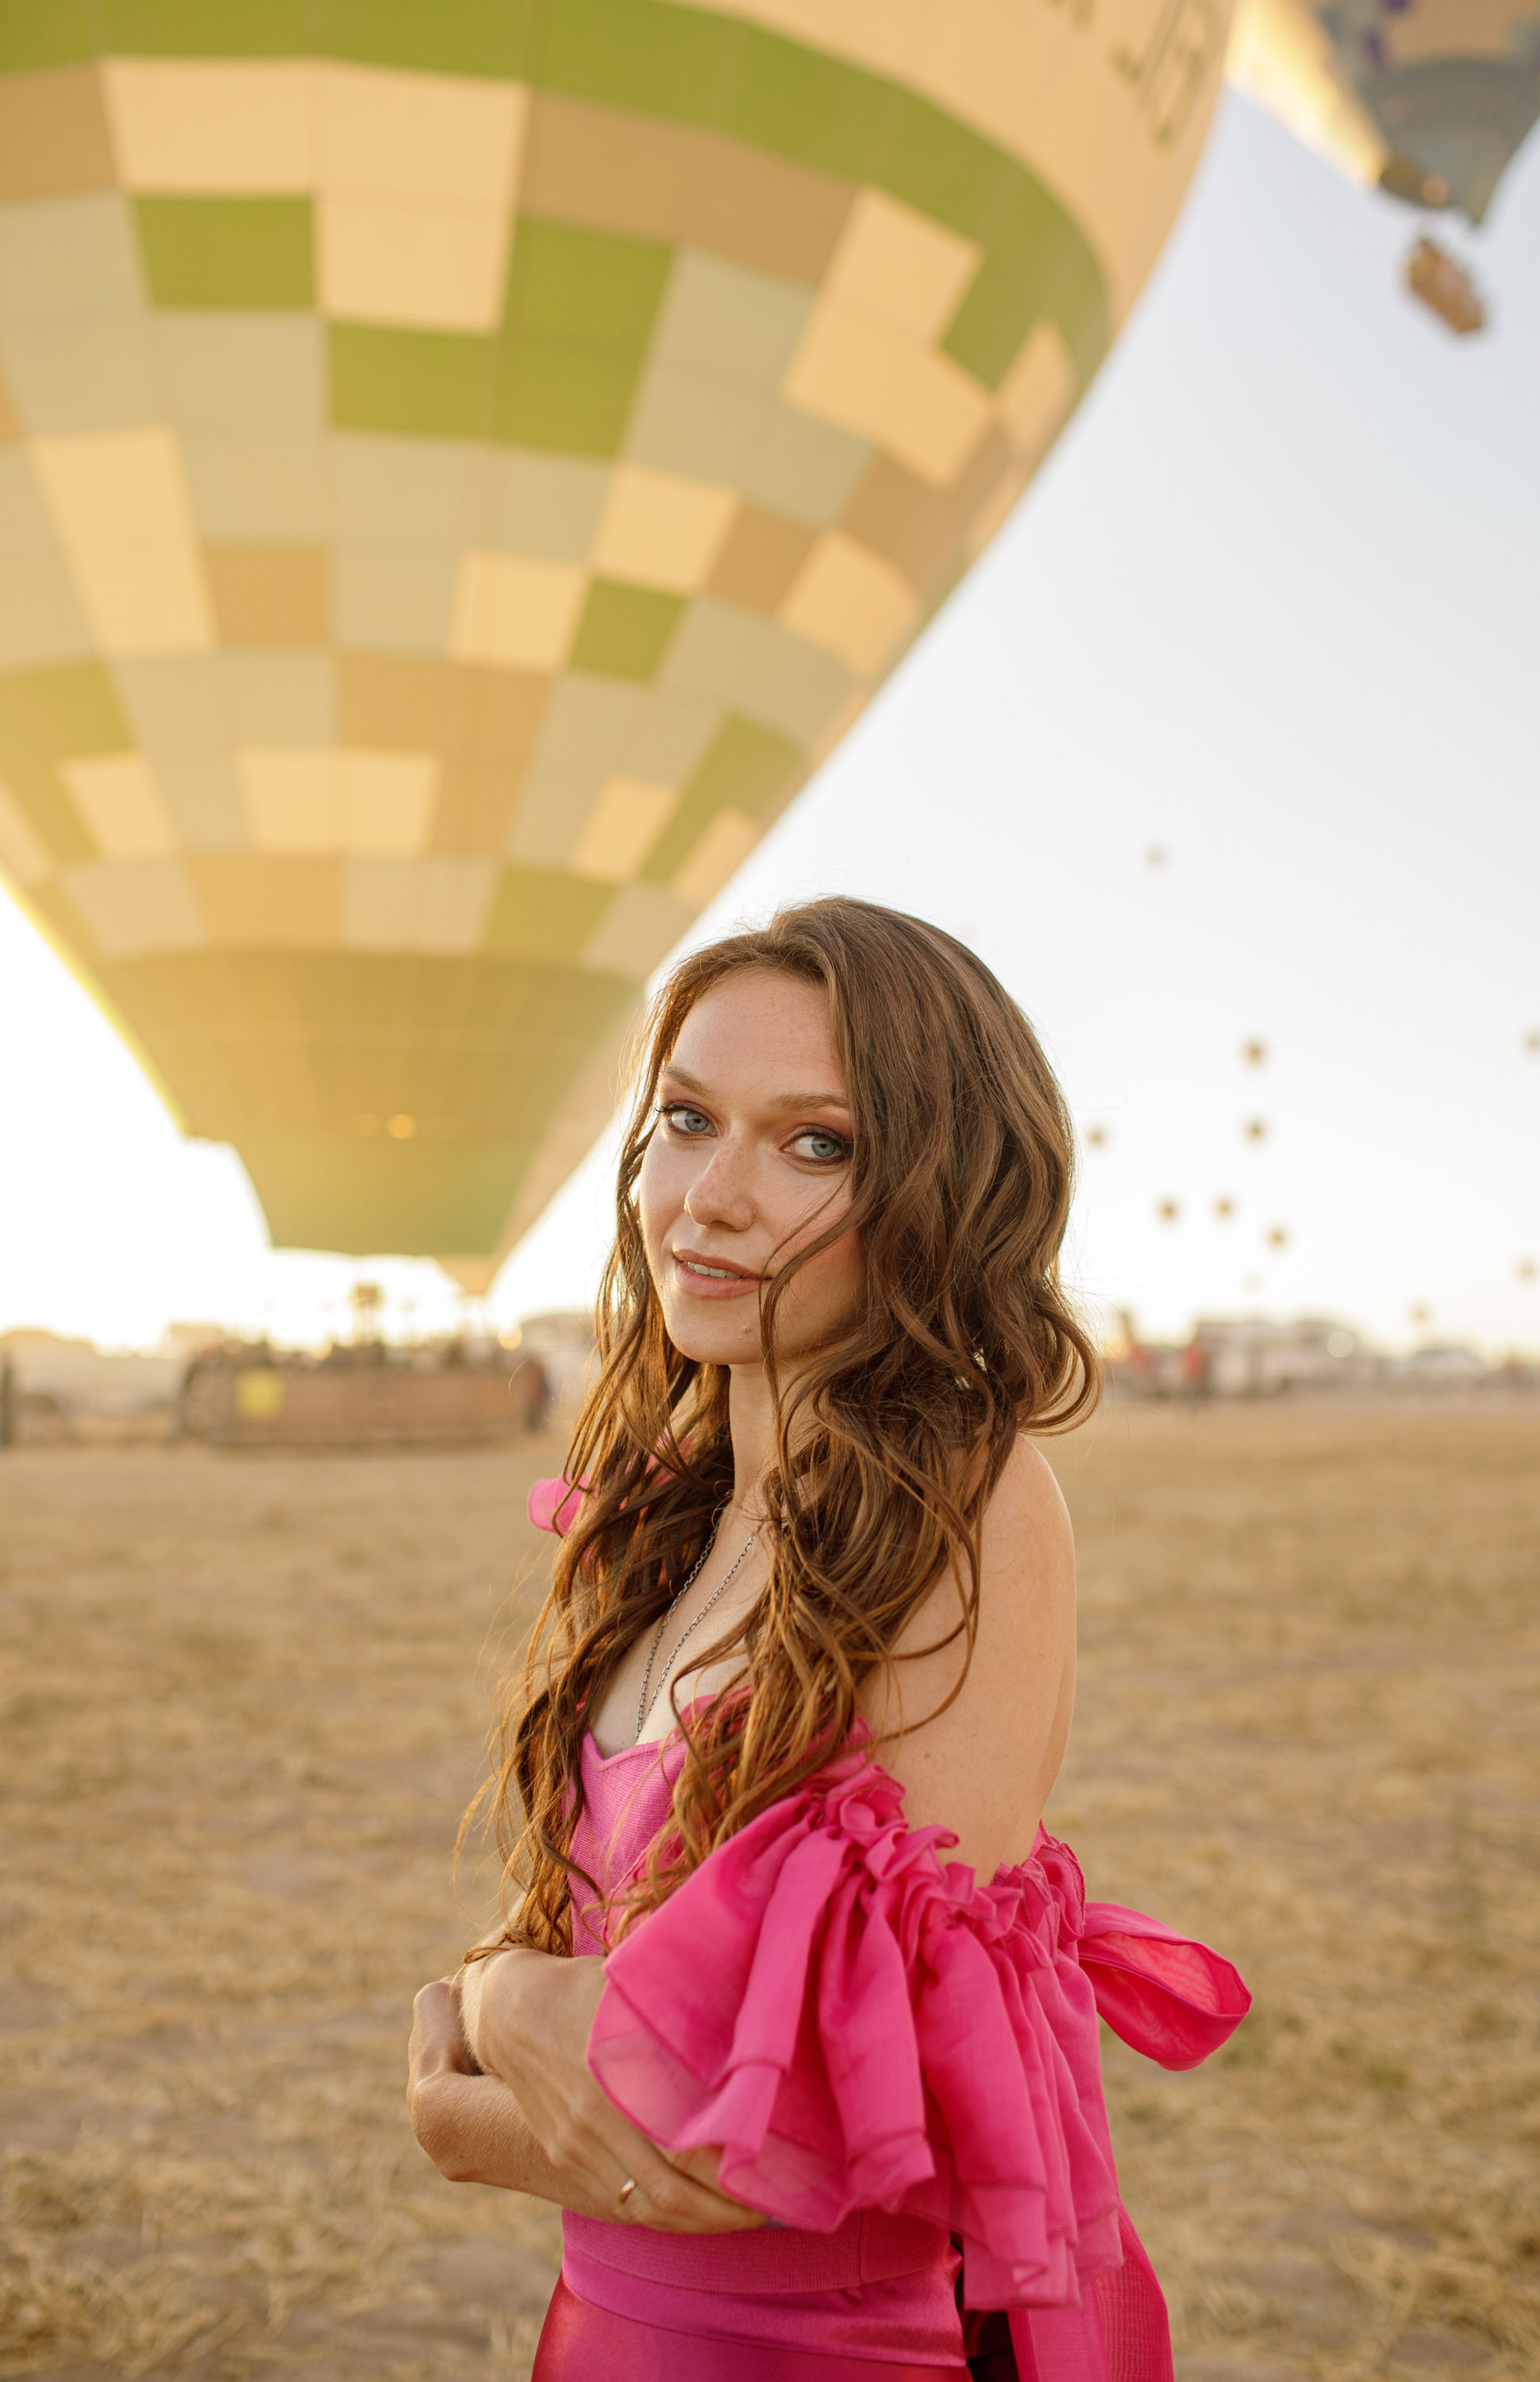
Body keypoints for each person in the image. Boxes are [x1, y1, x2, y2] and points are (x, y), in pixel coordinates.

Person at [407, 898, 1248, 2380]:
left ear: (943, 1189)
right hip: (604, 2341)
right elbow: (634, 2025)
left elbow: (778, 2138)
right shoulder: (671, 1521)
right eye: (686, 1120)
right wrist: (530, 2021)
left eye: (815, 1144)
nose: (711, 1198)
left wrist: (481, 2051)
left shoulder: (971, 1502)